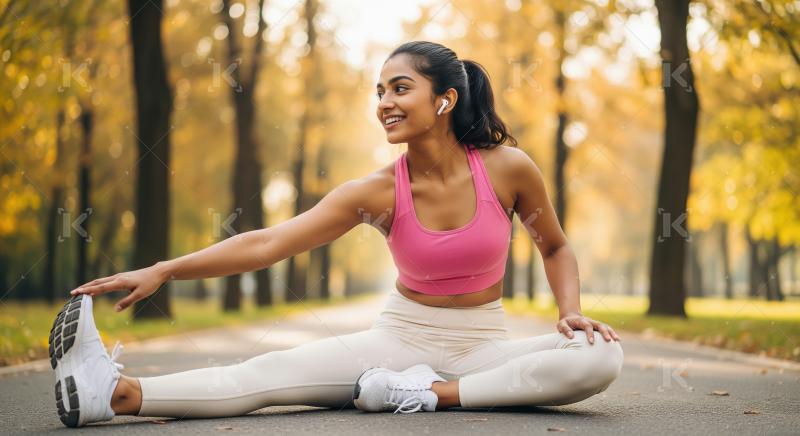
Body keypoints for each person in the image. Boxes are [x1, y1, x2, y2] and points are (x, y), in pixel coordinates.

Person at [50, 40, 623, 428]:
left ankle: (424, 394)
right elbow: (268, 242)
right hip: (400, 340)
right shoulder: (374, 191)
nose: (384, 104)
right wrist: (165, 269)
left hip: (486, 346)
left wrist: (569, 310)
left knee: (600, 356)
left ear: (444, 100)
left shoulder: (507, 168)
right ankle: (116, 394)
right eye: (379, 92)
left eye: (399, 89)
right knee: (267, 376)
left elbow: (554, 245)